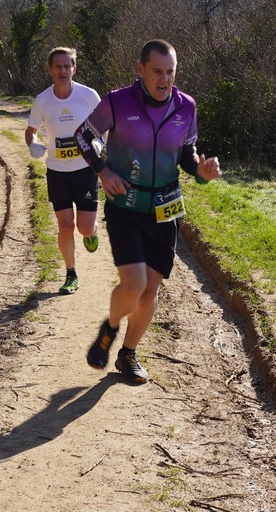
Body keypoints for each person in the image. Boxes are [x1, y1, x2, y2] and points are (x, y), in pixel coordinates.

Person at [74, 39, 222, 384]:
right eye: (157, 71)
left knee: (150, 290)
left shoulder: (186, 107)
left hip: (166, 208)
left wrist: (201, 172)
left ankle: (128, 354)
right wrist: (103, 171)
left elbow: (187, 152)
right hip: (125, 205)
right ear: (140, 70)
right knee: (135, 283)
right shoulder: (117, 102)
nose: (164, 79)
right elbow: (83, 136)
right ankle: (110, 328)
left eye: (170, 72)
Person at [25, 47, 102, 294]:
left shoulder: (88, 96)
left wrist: (100, 143)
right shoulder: (42, 100)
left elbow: (106, 124)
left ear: (74, 69)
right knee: (65, 225)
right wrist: (32, 144)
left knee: (84, 228)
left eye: (67, 66)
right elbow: (31, 130)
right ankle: (71, 273)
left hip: (85, 170)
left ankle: (92, 232)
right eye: (58, 66)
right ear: (50, 70)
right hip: (57, 173)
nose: (62, 71)